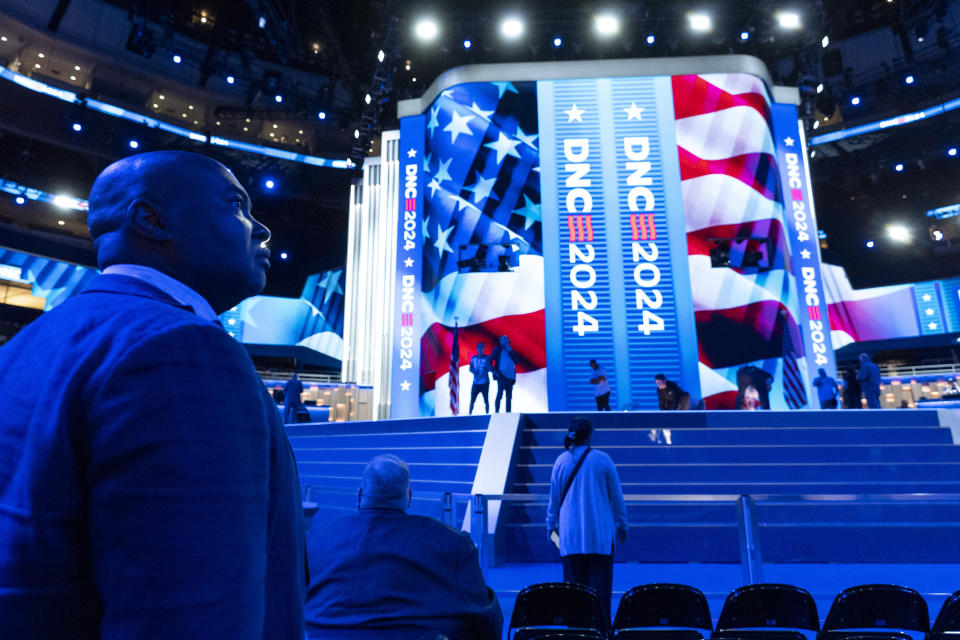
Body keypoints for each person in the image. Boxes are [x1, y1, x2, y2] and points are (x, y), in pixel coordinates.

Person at [0, 151, 305, 638]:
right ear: (151, 219)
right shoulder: (184, 349)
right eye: (235, 205)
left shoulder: (23, 347)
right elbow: (193, 621)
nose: (261, 229)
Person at [305, 455, 502, 640]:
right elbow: (486, 622)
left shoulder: (314, 541)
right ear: (408, 496)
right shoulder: (452, 543)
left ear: (359, 495)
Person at [546, 418, 628, 623]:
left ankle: (575, 633)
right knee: (601, 598)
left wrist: (550, 526)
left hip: (570, 538)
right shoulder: (603, 460)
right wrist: (622, 524)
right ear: (590, 435)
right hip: (600, 538)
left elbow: (553, 501)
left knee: (573, 596)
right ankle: (600, 632)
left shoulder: (561, 461)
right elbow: (617, 498)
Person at [491, 334, 518, 412]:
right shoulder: (497, 349)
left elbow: (517, 361)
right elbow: (489, 360)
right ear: (500, 341)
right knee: (499, 395)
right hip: (501, 375)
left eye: (506, 339)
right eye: (503, 339)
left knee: (509, 397)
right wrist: (494, 371)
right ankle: (496, 412)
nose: (505, 341)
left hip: (510, 377)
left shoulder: (511, 350)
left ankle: (508, 413)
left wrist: (511, 351)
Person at [468, 342, 492, 414]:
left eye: (482, 347)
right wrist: (474, 371)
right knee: (472, 399)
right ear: (477, 348)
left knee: (486, 399)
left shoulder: (487, 358)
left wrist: (482, 375)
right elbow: (470, 368)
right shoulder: (473, 358)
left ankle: (487, 414)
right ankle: (469, 414)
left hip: (484, 382)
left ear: (484, 348)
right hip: (476, 382)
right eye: (479, 347)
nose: (480, 349)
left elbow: (488, 368)